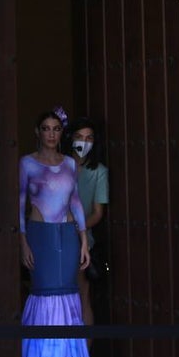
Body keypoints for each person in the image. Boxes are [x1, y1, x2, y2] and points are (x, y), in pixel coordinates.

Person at [19, 107, 97, 357]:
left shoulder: (68, 163)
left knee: (68, 298)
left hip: (67, 234)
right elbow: (20, 205)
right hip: (40, 236)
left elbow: (75, 201)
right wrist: (22, 242)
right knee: (44, 295)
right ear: (38, 132)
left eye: (56, 129)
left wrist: (83, 242)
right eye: (46, 128)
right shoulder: (26, 163)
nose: (51, 134)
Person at [68, 116, 109, 332]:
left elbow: (98, 212)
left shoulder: (99, 172)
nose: (84, 142)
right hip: (54, 237)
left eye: (89, 138)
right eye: (79, 137)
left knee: (82, 296)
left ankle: (84, 354)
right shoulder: (60, 165)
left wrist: (79, 228)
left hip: (82, 240)